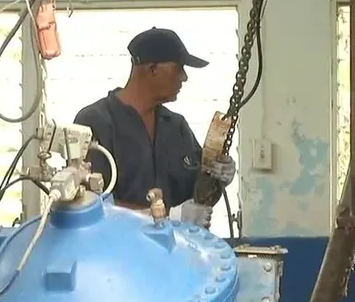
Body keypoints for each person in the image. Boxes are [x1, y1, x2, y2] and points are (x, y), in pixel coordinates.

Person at [73, 27, 236, 228]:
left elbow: (197, 203)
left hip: (175, 253)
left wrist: (216, 179)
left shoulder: (177, 127)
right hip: (119, 254)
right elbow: (88, 205)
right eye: (179, 68)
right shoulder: (95, 121)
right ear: (152, 69)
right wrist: (163, 216)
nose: (184, 77)